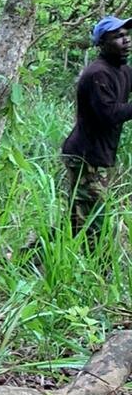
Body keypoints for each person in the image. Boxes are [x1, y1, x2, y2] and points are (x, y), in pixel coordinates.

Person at [62, 15, 132, 237]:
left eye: (127, 35)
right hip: (84, 157)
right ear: (102, 43)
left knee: (78, 220)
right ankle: (98, 268)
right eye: (118, 36)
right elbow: (109, 114)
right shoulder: (98, 73)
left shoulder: (123, 70)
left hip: (97, 155)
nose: (126, 40)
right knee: (93, 222)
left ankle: (30, 260)